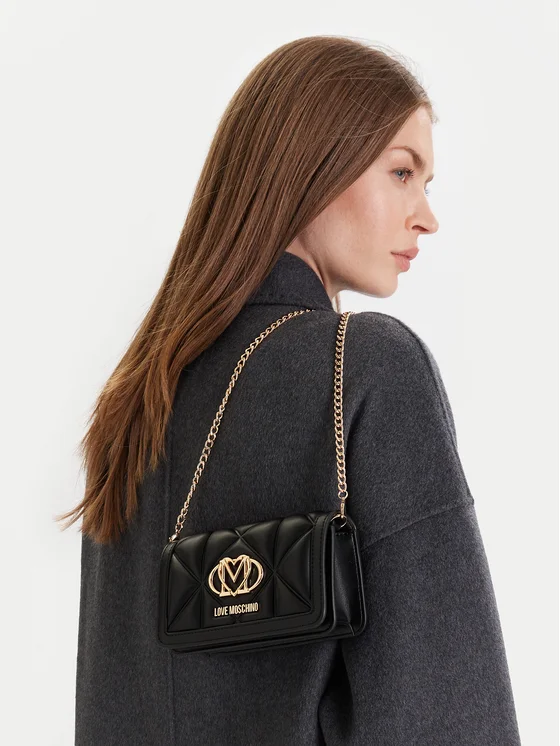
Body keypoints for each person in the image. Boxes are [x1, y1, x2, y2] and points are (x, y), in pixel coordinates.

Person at [58, 35, 522, 745]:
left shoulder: (136, 402)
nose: (426, 216)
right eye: (402, 172)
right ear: (313, 167)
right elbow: (448, 715)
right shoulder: (367, 368)